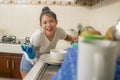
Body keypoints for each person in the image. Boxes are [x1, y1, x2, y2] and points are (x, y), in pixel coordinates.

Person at [20, 6, 78, 79]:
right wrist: (31, 54)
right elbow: (32, 53)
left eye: (51, 21)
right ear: (41, 25)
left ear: (56, 22)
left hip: (40, 61)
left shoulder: (60, 31)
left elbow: (67, 37)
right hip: (28, 62)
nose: (48, 25)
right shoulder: (38, 35)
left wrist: (74, 39)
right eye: (45, 23)